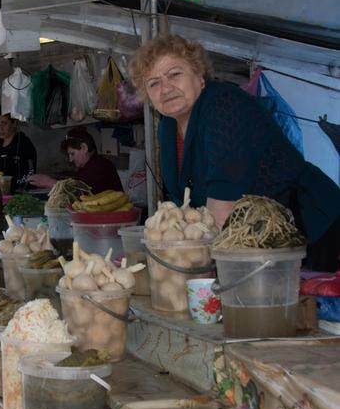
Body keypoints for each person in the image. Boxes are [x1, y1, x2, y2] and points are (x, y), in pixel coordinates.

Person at [129, 34, 340, 271]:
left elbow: (224, 199)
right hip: (252, 240)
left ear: (199, 76)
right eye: (154, 83)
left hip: (305, 225)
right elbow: (184, 203)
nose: (165, 88)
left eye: (175, 74)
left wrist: (193, 264)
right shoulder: (168, 125)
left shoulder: (223, 104)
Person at [28, 126, 123, 194]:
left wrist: (49, 182)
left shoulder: (100, 166)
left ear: (84, 148)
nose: (70, 159)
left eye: (72, 153)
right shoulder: (85, 167)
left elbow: (81, 191)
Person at [0, 113, 37, 190]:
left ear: (14, 123)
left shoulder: (24, 145)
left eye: (4, 123)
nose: (0, 128)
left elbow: (30, 175)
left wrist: (9, 183)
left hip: (21, 193)